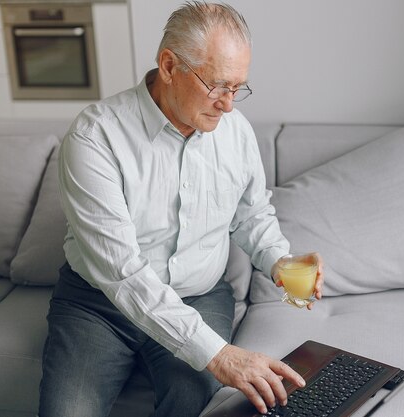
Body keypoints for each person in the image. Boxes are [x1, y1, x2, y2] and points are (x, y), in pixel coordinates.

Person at [38, 2, 324, 416]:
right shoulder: (94, 137)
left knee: (194, 404)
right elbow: (122, 273)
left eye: (237, 87)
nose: (228, 105)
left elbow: (251, 215)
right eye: (217, 85)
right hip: (97, 305)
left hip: (199, 297)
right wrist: (220, 354)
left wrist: (282, 263)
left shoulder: (236, 132)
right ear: (169, 66)